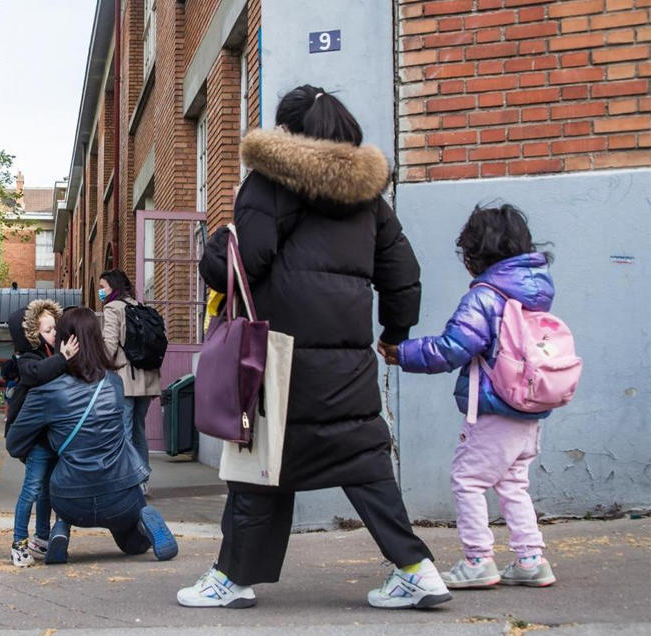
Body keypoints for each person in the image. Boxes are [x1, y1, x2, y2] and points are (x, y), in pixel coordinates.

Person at [178, 85, 450, 610]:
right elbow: (403, 275)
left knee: (260, 465)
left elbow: (246, 262)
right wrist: (394, 335)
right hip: (347, 365)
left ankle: (231, 579)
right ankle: (418, 571)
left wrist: (216, 248)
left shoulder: (267, 183)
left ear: (288, 130)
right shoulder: (369, 198)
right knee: (366, 463)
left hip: (278, 359)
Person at [385, 204, 557, 589]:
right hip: (529, 408)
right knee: (513, 482)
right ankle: (531, 560)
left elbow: (453, 348)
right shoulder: (535, 290)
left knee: (467, 479)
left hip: (495, 408)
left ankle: (478, 560)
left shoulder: (486, 296)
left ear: (478, 254)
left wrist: (403, 353)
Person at [6, 307, 178, 565]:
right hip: (121, 491)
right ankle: (142, 521)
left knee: (59, 485)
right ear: (98, 340)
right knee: (133, 545)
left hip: (70, 498)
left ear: (64, 341)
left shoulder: (46, 390)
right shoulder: (115, 383)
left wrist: (48, 439)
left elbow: (14, 443)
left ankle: (61, 528)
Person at [1, 300, 80, 567]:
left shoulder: (50, 354)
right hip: (35, 439)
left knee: (47, 489)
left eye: (55, 328)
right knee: (32, 489)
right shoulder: (28, 359)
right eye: (48, 330)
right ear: (33, 335)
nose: (54, 334)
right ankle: (19, 543)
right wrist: (63, 357)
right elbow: (38, 373)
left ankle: (42, 537)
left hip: (50, 436)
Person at [99, 269, 161, 491]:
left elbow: (109, 345)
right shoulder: (140, 307)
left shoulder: (112, 308)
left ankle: (129, 480)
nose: (100, 291)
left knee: (123, 431)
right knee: (138, 431)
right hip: (147, 379)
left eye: (103, 287)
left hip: (125, 380)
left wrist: (97, 367)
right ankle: (143, 480)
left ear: (113, 287)